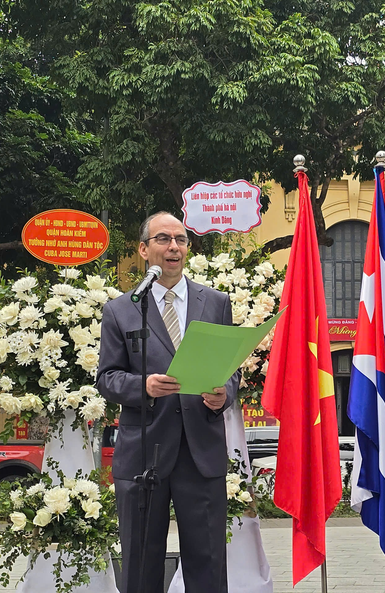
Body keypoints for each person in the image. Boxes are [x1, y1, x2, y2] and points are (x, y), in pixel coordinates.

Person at [97, 211, 236, 593]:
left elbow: (230, 369)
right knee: (141, 563)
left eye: (181, 239)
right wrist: (143, 385)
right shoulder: (122, 309)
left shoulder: (216, 302)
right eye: (163, 239)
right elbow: (107, 378)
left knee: (208, 563)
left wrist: (223, 393)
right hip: (145, 451)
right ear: (144, 250)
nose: (173, 246)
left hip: (200, 452)